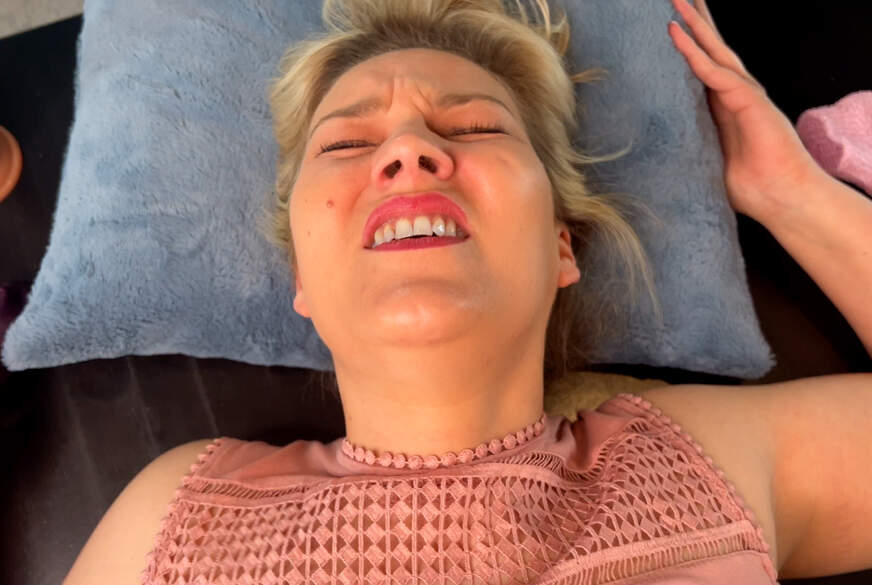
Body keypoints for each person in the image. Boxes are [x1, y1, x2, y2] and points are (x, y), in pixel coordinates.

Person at [63, 0, 872, 583]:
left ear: (561, 245)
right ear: (301, 278)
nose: (408, 150)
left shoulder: (702, 462)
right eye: (345, 143)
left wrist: (793, 195)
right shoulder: (180, 516)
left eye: (474, 128)